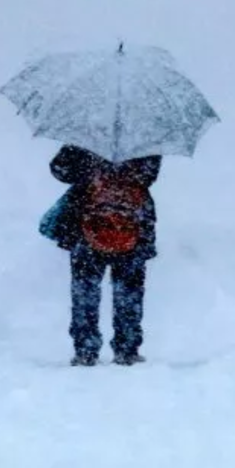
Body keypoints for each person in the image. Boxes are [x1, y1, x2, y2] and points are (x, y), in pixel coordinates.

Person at [47, 144, 161, 366]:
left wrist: (89, 165)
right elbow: (148, 177)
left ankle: (85, 350)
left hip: (86, 225)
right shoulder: (145, 141)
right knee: (129, 293)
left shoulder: (86, 136)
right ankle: (127, 349)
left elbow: (60, 170)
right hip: (133, 226)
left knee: (85, 292)